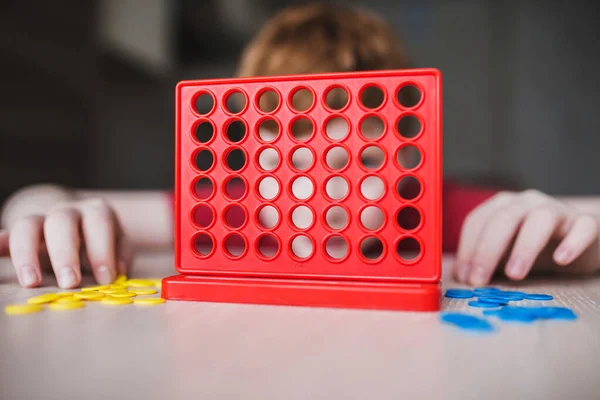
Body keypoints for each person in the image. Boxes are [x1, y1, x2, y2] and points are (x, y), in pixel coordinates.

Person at [1, 3, 598, 290]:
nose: (330, 195)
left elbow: (581, 220)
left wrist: (572, 235)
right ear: (252, 153)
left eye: (366, 162)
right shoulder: (225, 214)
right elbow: (48, 197)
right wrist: (40, 212)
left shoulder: (437, 210)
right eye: (293, 163)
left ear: (409, 147)